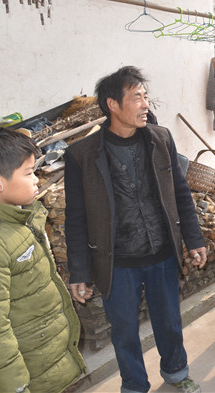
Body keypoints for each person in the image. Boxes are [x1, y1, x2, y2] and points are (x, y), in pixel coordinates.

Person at [64, 66, 207, 393]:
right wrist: (79, 271)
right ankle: (134, 385)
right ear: (113, 105)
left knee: (169, 321)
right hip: (117, 262)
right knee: (124, 330)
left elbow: (180, 193)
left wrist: (194, 239)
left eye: (146, 96)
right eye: (137, 97)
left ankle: (176, 373)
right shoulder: (82, 155)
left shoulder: (161, 139)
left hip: (161, 254)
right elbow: (76, 218)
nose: (146, 104)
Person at [0, 126, 86, 393]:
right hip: (27, 374)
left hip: (46, 360)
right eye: (28, 173)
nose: (37, 180)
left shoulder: (19, 217)